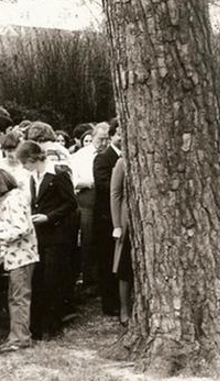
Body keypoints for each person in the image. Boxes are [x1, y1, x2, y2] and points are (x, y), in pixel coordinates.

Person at [16, 141, 78, 340]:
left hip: (57, 234)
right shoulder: (34, 178)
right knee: (39, 279)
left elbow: (71, 203)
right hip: (40, 235)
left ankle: (52, 325)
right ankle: (37, 326)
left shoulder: (58, 175)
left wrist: (50, 217)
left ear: (34, 159)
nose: (24, 168)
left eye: (26, 163)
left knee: (53, 279)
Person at [0, 169, 38, 352]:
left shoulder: (12, 201)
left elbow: (21, 228)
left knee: (19, 298)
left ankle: (20, 338)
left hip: (21, 256)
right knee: (17, 297)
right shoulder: (18, 197)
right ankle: (17, 335)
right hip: (23, 255)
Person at [71, 122, 110, 290]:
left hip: (106, 198)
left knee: (105, 238)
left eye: (106, 139)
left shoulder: (109, 154)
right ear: (93, 137)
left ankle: (104, 280)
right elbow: (73, 180)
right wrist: (89, 183)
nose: (103, 143)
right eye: (100, 139)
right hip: (87, 197)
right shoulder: (81, 155)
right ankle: (89, 281)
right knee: (87, 239)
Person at [93, 118, 122, 316]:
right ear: (111, 136)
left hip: (123, 215)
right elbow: (104, 185)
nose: (122, 138)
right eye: (119, 134)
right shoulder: (103, 158)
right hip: (106, 218)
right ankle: (109, 304)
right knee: (107, 261)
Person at [110, 157, 132, 326]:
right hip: (127, 220)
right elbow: (115, 193)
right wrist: (117, 223)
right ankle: (124, 309)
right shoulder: (122, 162)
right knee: (125, 266)